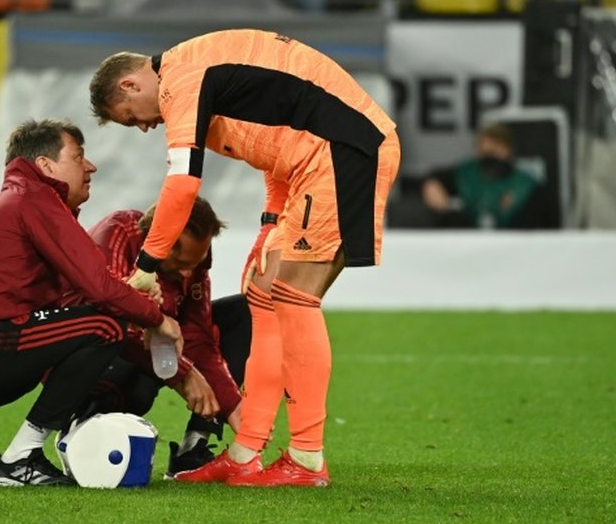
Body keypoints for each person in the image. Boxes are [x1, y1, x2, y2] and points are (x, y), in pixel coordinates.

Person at [89, 28, 401, 487]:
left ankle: (307, 458)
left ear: (130, 85)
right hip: (317, 160)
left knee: (294, 297)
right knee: (262, 293)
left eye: (130, 118)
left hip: (340, 152)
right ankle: (245, 452)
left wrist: (146, 267)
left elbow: (182, 186)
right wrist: (270, 224)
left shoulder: (182, 81)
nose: (143, 128)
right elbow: (274, 149)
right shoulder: (196, 78)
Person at [0, 118, 181, 487]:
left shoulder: (17, 201)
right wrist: (158, 320)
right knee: (104, 329)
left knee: (45, 344)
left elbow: (85, 296)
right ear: (45, 166)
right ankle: (20, 459)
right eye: (78, 156)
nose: (90, 166)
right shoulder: (36, 200)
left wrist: (129, 295)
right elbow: (101, 294)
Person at [84, 197, 251, 478]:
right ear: (158, 242)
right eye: (182, 262)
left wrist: (234, 404)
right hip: (96, 356)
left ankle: (195, 445)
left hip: (158, 352)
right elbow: (107, 322)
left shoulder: (193, 261)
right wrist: (184, 374)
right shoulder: (117, 237)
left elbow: (198, 334)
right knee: (141, 380)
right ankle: (83, 430)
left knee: (242, 313)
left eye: (195, 263)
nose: (188, 273)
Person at [420, 122, 540, 230]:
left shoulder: (525, 185)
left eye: (495, 151)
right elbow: (437, 179)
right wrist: (432, 185)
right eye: (485, 153)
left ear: (509, 150)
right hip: (468, 243)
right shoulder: (466, 174)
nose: (490, 159)